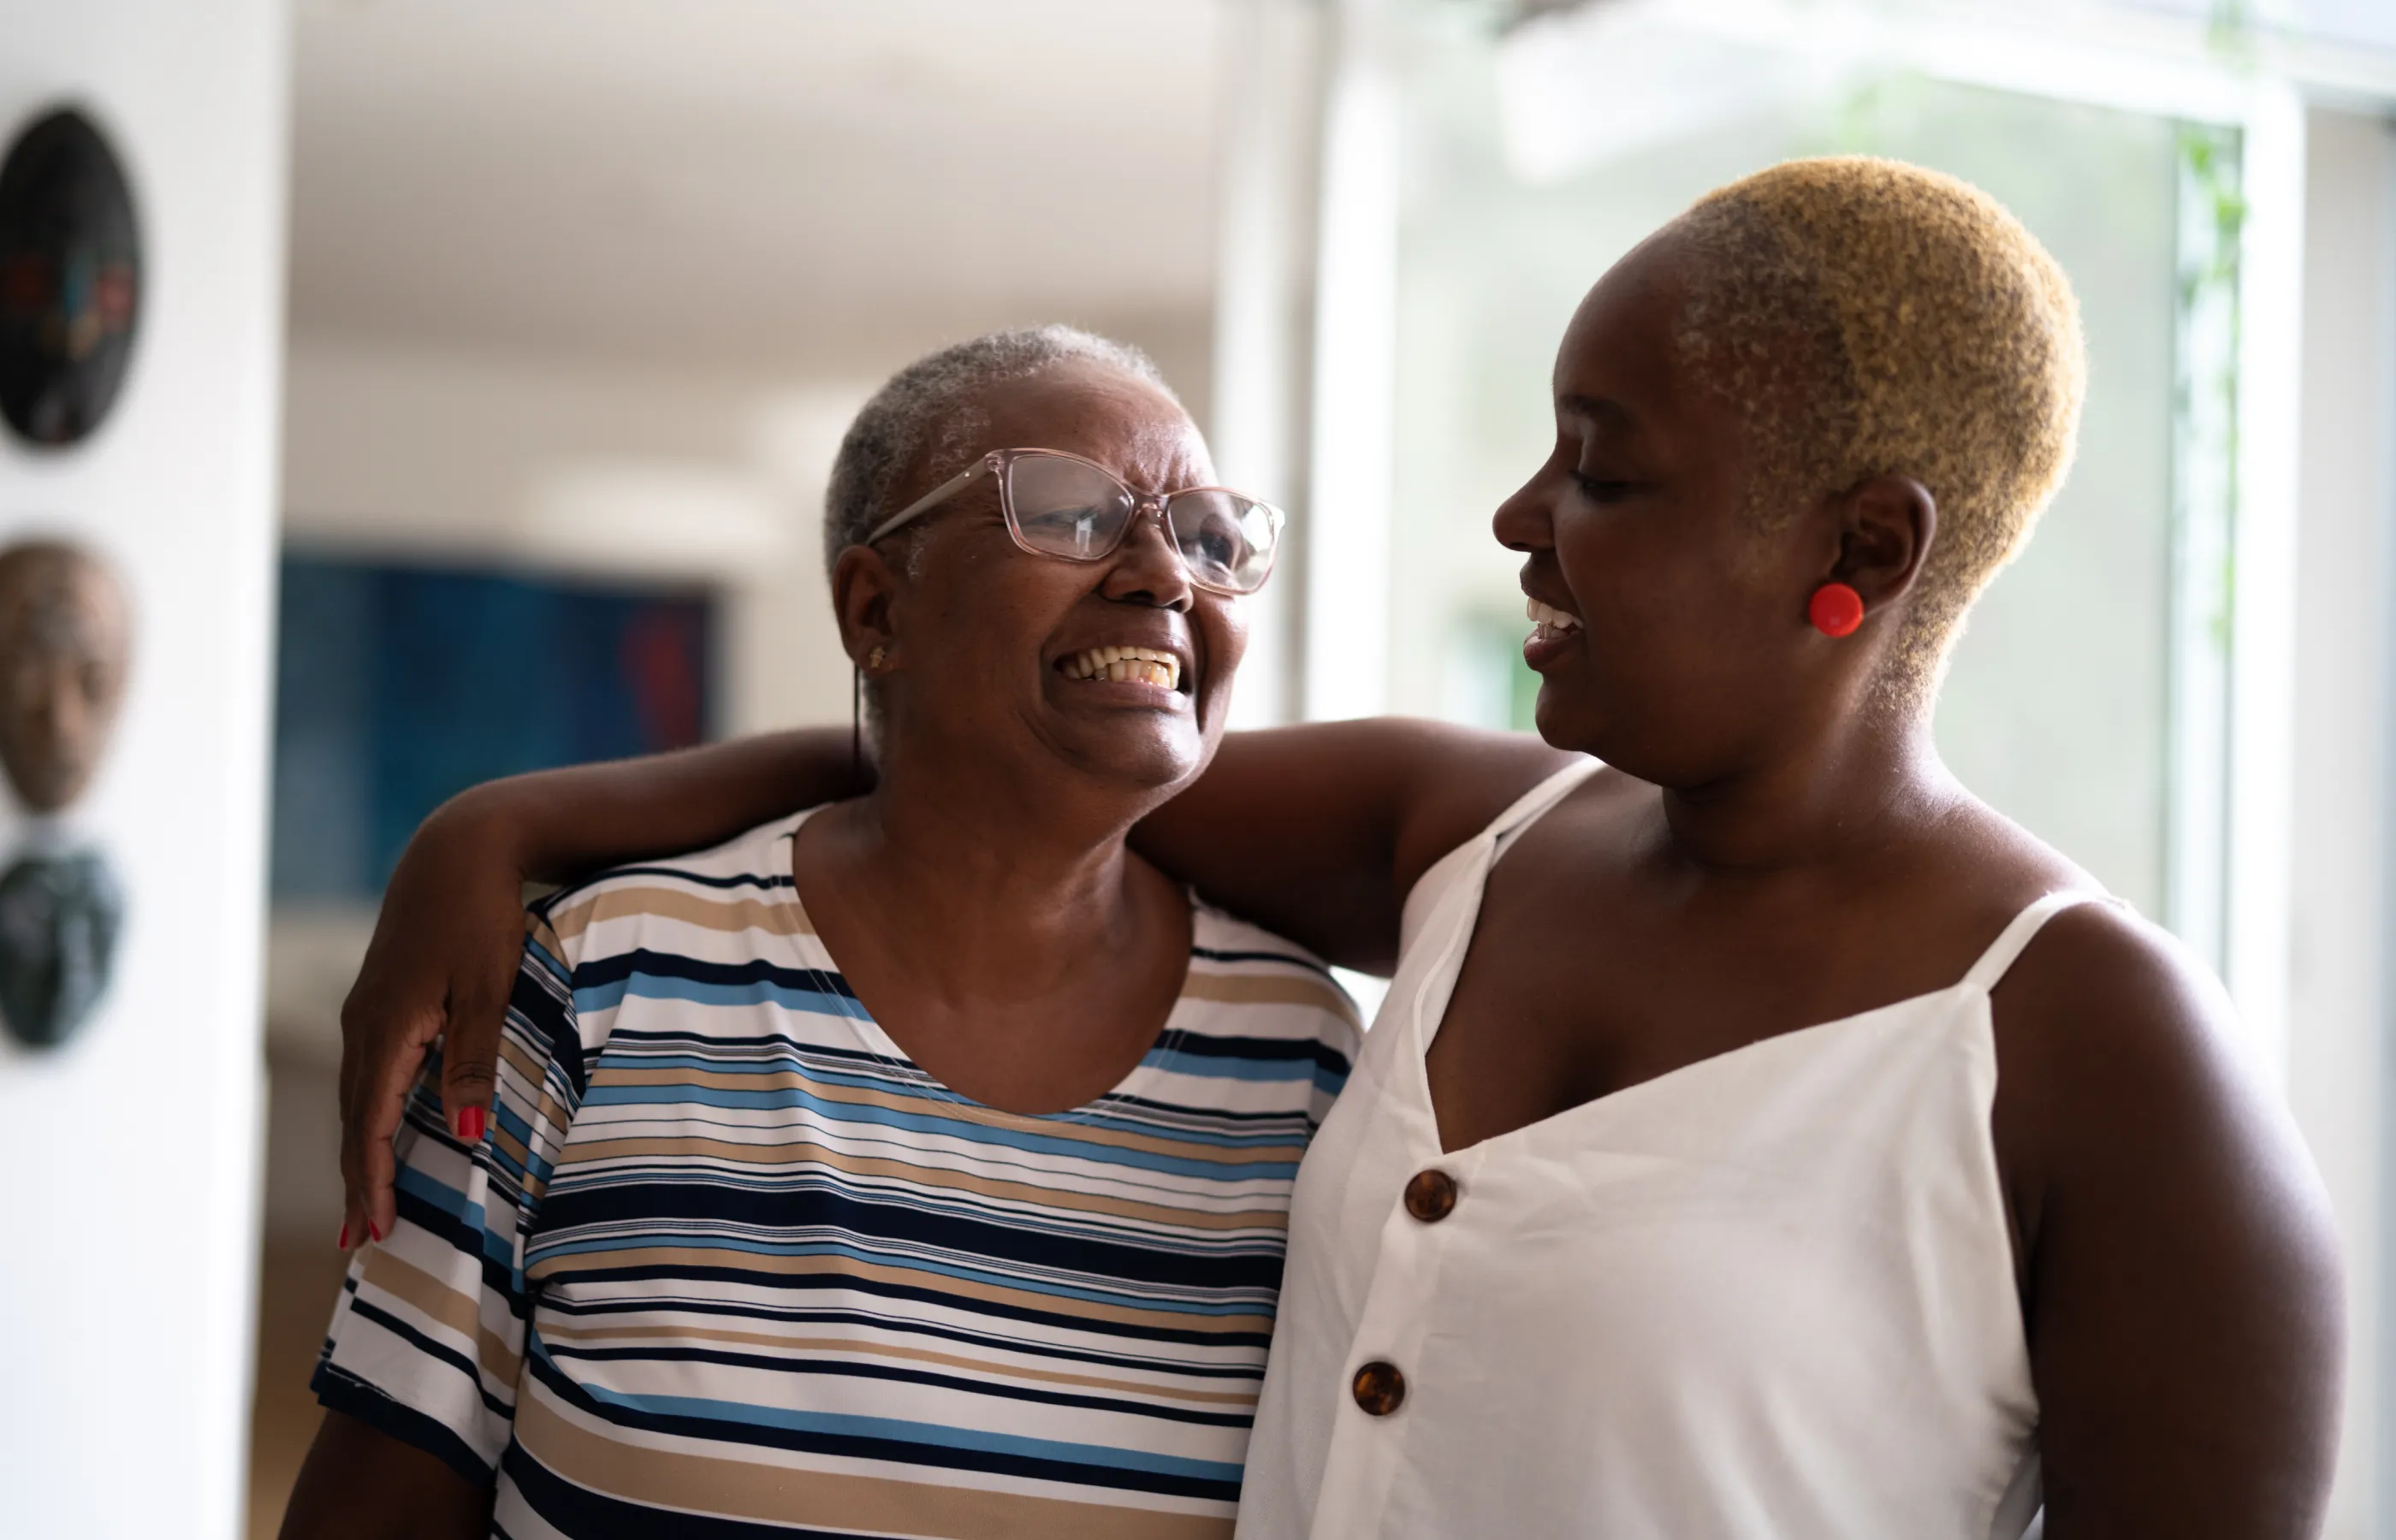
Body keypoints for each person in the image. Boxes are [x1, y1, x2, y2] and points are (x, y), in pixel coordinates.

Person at [333, 159, 2342, 1537]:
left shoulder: (2110, 1070)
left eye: (1605, 468)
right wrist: (510, 820)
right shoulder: (1468, 840)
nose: (1519, 517)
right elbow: (1017, 746)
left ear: (1862, 552)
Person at [280, 326, 1362, 1539]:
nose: (1166, 573)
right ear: (872, 608)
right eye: (1068, 513)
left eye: (1212, 536)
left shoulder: (1303, 1061)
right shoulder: (600, 985)